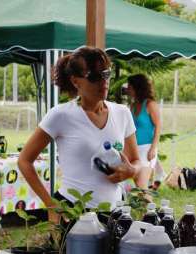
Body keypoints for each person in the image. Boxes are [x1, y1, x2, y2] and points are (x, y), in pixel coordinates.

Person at [18, 47, 141, 222]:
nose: (103, 82)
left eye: (106, 74)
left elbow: (136, 160)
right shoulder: (60, 115)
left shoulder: (122, 113)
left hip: (115, 212)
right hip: (72, 212)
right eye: (93, 77)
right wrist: (51, 205)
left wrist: (131, 171)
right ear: (76, 81)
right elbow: (24, 160)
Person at [125, 74, 162, 189]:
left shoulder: (151, 105)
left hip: (147, 149)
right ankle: (147, 206)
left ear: (137, 87)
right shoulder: (133, 106)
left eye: (130, 86)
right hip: (135, 149)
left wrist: (153, 148)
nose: (127, 89)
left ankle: (149, 206)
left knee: (142, 186)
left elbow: (158, 126)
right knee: (139, 186)